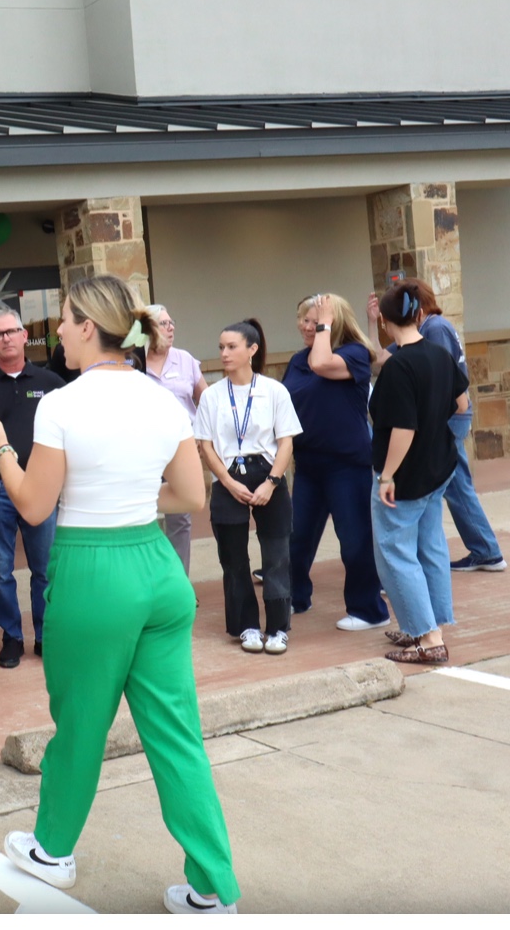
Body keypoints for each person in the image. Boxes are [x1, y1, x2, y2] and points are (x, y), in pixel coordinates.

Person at [0, 273, 240, 914]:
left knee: (81, 727)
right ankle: (213, 887)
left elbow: (33, 506)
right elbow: (192, 497)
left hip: (95, 574)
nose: (55, 330)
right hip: (158, 569)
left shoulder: (60, 403)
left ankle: (52, 850)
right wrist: (130, 497)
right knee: (177, 736)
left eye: (62, 320)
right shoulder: (162, 398)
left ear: (89, 327)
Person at [367, 288, 505, 573]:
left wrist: (388, 475)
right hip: (436, 422)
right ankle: (483, 553)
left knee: (454, 486)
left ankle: (487, 550)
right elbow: (378, 358)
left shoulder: (436, 331)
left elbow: (451, 399)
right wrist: (372, 322)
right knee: (444, 499)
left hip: (443, 423)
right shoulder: (414, 340)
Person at [0, 304, 66, 668]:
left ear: (24, 335)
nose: (6, 338)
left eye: (11, 331)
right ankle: (11, 637)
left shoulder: (51, 384)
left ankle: (44, 635)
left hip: (40, 484)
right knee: (0, 570)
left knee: (44, 567)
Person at [370, 280, 469, 665]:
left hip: (407, 478)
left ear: (384, 321)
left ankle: (427, 637)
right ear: (420, 314)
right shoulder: (438, 355)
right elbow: (460, 405)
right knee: (430, 546)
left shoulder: (398, 367)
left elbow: (403, 429)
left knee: (395, 551)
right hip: (439, 467)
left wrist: (387, 475)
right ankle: (430, 626)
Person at [194, 320, 302, 654]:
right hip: (229, 475)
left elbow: (286, 443)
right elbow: (205, 446)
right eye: (221, 348)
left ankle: (278, 628)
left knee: (276, 556)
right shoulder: (212, 395)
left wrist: (272, 483)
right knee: (233, 558)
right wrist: (227, 482)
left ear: (252, 350)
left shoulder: (274, 391)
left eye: (232, 347)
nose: (225, 354)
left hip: (267, 473)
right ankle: (247, 626)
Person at [285, 294, 388, 630]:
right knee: (295, 538)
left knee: (355, 540)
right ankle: (294, 596)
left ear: (333, 323)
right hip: (308, 465)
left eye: (313, 320)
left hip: (347, 466)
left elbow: (322, 365)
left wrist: (325, 325)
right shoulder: (298, 360)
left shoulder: (354, 355)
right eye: (303, 319)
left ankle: (368, 610)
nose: (305, 326)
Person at [143, 304, 207, 573]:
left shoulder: (185, 359)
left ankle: (179, 582)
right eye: (163, 324)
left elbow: (205, 400)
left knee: (180, 518)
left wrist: (203, 436)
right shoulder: (133, 362)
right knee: (142, 515)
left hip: (181, 450)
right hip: (143, 451)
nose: (171, 329)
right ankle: (149, 581)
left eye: (172, 323)